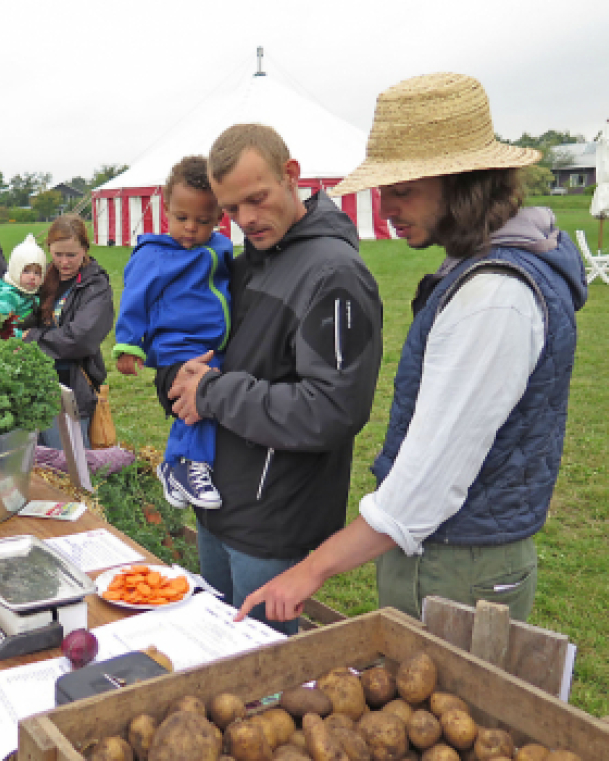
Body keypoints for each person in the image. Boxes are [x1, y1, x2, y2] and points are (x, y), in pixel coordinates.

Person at [235, 73, 587, 627]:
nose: (386, 207)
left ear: (463, 182)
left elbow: (424, 488)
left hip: (457, 567)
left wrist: (311, 570)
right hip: (448, 556)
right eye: (384, 189)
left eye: (403, 190)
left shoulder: (494, 297)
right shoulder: (483, 272)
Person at [164, 124, 383, 635]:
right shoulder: (245, 264)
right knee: (218, 655)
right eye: (232, 209)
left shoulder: (334, 274)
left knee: (261, 678)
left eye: (257, 200)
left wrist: (212, 393)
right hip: (218, 501)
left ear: (291, 176)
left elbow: (332, 410)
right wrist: (179, 377)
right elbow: (213, 356)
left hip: (272, 519)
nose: (247, 220)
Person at [113, 155, 232, 511]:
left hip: (212, 342)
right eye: (182, 218)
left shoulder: (220, 248)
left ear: (220, 217)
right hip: (175, 342)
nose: (191, 228)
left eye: (203, 220)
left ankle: (177, 464)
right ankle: (186, 463)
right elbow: (135, 297)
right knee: (199, 397)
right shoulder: (154, 255)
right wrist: (128, 345)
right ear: (165, 209)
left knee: (210, 395)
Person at [23, 214, 114, 450]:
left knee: (71, 464)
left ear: (85, 249)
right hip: (37, 384)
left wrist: (32, 339)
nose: (64, 262)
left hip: (73, 387)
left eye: (71, 255)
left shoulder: (95, 285)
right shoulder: (43, 279)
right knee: (39, 461)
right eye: (58, 254)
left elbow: (81, 338)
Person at [0, 233, 46, 336]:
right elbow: (2, 326)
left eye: (37, 273)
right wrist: (20, 336)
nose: (32, 277)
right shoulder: (8, 295)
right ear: (15, 270)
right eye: (26, 271)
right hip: (14, 342)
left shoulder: (35, 293)